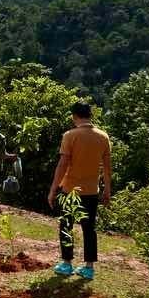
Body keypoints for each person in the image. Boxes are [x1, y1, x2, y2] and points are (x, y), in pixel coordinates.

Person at [47, 101, 112, 279]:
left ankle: (67, 264)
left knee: (66, 225)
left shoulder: (70, 135)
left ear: (74, 116)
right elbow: (107, 167)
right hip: (92, 190)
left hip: (70, 190)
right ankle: (89, 268)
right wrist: (107, 190)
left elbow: (63, 164)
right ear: (91, 115)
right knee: (89, 229)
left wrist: (53, 189)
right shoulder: (103, 137)